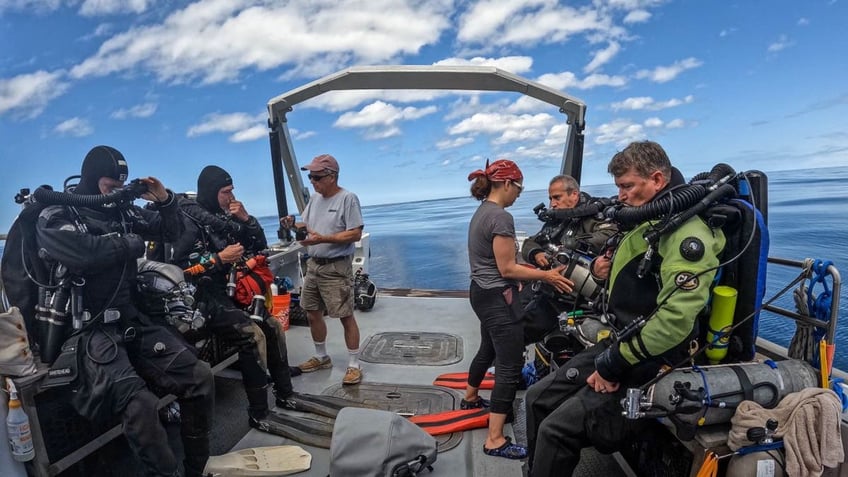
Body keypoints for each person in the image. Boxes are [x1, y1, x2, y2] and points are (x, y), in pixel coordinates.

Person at [524, 141, 726, 476]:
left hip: (652, 358)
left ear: (657, 179)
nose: (620, 196)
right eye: (619, 187)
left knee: (556, 431)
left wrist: (612, 366)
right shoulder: (651, 218)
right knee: (536, 398)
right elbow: (634, 271)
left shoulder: (687, 233)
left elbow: (674, 322)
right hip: (619, 339)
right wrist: (601, 270)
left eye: (627, 186)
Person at [35, 145, 213, 477]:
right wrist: (129, 244)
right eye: (110, 185)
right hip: (89, 330)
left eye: (121, 186)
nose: (116, 192)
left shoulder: (122, 211)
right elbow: (81, 253)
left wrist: (165, 202)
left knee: (200, 377)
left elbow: (172, 232)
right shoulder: (57, 212)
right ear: (92, 178)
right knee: (141, 405)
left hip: (132, 320)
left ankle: (197, 469)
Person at [161, 165, 300, 427]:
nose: (231, 196)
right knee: (252, 335)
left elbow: (259, 246)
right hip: (201, 297)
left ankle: (285, 393)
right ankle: (259, 413)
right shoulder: (187, 223)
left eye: (232, 190)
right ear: (211, 192)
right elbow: (176, 271)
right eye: (226, 191)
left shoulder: (222, 218)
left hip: (227, 290)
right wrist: (218, 259)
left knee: (272, 325)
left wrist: (247, 220)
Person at [465, 159, 573, 460]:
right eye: (519, 188)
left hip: (480, 292)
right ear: (507, 184)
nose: (518, 195)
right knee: (510, 366)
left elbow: (496, 263)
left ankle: (470, 398)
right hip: (497, 298)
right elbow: (507, 268)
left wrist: (530, 269)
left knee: (488, 348)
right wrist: (547, 276)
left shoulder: (482, 212)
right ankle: (495, 440)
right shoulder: (501, 217)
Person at [284, 154, 365, 385]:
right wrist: (293, 225)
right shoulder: (315, 199)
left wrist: (323, 239)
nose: (312, 181)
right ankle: (321, 357)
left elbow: (355, 233)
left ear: (331, 176)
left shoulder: (347, 198)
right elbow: (307, 226)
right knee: (311, 312)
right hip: (314, 266)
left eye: (317, 177)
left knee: (345, 316)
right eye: (310, 177)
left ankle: (354, 365)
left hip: (336, 267)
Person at [520, 174, 618, 344]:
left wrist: (572, 244)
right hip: (547, 286)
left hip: (570, 298)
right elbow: (531, 242)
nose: (552, 203)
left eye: (557, 197)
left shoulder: (594, 214)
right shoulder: (558, 219)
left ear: (574, 195)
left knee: (517, 331)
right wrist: (536, 253)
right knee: (507, 317)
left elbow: (610, 234)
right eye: (550, 198)